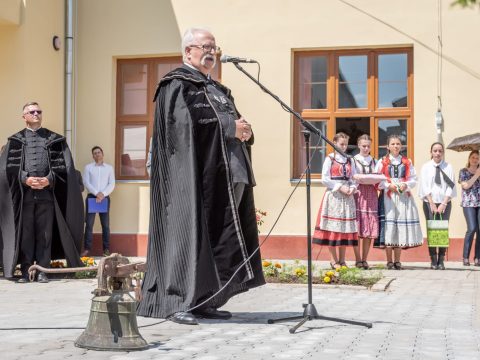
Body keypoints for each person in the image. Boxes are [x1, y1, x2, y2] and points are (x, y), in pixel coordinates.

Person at [136, 27, 265, 325]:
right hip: (192, 179)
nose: (211, 52)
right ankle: (177, 300)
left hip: (228, 174)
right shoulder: (176, 84)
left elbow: (232, 122)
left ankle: (207, 299)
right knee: (189, 236)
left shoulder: (218, 89)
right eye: (205, 46)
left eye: (214, 47)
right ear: (187, 52)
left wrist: (244, 130)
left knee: (217, 238)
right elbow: (183, 127)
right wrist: (230, 128)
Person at [0, 102, 84, 282]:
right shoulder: (14, 141)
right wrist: (25, 178)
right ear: (24, 116)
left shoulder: (54, 140)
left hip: (47, 197)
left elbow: (66, 169)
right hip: (25, 198)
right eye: (32, 111)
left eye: (39, 111)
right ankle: (25, 270)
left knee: (45, 234)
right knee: (26, 235)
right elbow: (7, 169)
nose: (36, 114)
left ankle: (43, 271)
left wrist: (50, 179)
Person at [374, 134, 423, 269]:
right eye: (393, 144)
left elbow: (413, 179)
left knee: (399, 226)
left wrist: (405, 185)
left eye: (398, 144)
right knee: (389, 226)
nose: (396, 146)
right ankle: (389, 260)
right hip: (387, 197)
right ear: (388, 146)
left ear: (401, 146)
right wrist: (388, 185)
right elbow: (376, 179)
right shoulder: (382, 161)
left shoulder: (407, 161)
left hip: (403, 197)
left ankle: (397, 260)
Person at [313, 132, 358, 269]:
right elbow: (325, 179)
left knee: (344, 229)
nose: (343, 147)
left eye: (345, 144)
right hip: (334, 196)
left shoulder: (350, 160)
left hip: (347, 197)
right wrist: (339, 187)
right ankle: (333, 260)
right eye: (341, 144)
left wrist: (352, 188)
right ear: (334, 143)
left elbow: (354, 177)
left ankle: (343, 260)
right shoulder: (330, 159)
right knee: (333, 228)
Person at [418, 142, 456, 270]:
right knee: (432, 230)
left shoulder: (448, 167)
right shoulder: (426, 167)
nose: (438, 153)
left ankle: (441, 260)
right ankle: (433, 259)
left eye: (440, 151)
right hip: (430, 203)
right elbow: (424, 186)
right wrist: (432, 204)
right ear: (431, 152)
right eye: (435, 151)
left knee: (442, 230)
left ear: (443, 152)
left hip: (445, 203)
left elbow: (451, 186)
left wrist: (444, 203)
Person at [81, 146, 115, 257]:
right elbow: (86, 182)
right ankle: (87, 249)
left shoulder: (109, 168)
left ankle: (106, 250)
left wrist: (103, 194)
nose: (97, 154)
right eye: (95, 153)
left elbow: (112, 184)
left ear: (102, 154)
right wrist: (97, 194)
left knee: (105, 225)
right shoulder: (88, 168)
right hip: (92, 197)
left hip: (105, 198)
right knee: (89, 225)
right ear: (93, 156)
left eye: (99, 152)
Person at [352, 134, 378, 269]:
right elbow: (352, 177)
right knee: (357, 229)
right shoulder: (353, 160)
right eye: (364, 146)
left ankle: (364, 259)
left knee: (368, 229)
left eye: (368, 146)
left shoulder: (374, 161)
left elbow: (379, 177)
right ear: (358, 145)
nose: (366, 148)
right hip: (358, 193)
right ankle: (357, 259)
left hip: (371, 195)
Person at [458, 150, 480, 266]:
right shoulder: (463, 172)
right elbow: (466, 186)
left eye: (477, 158)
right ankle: (465, 257)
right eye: (473, 157)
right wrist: (477, 174)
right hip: (468, 204)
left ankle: (478, 258)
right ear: (469, 158)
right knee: (472, 228)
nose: (475, 159)